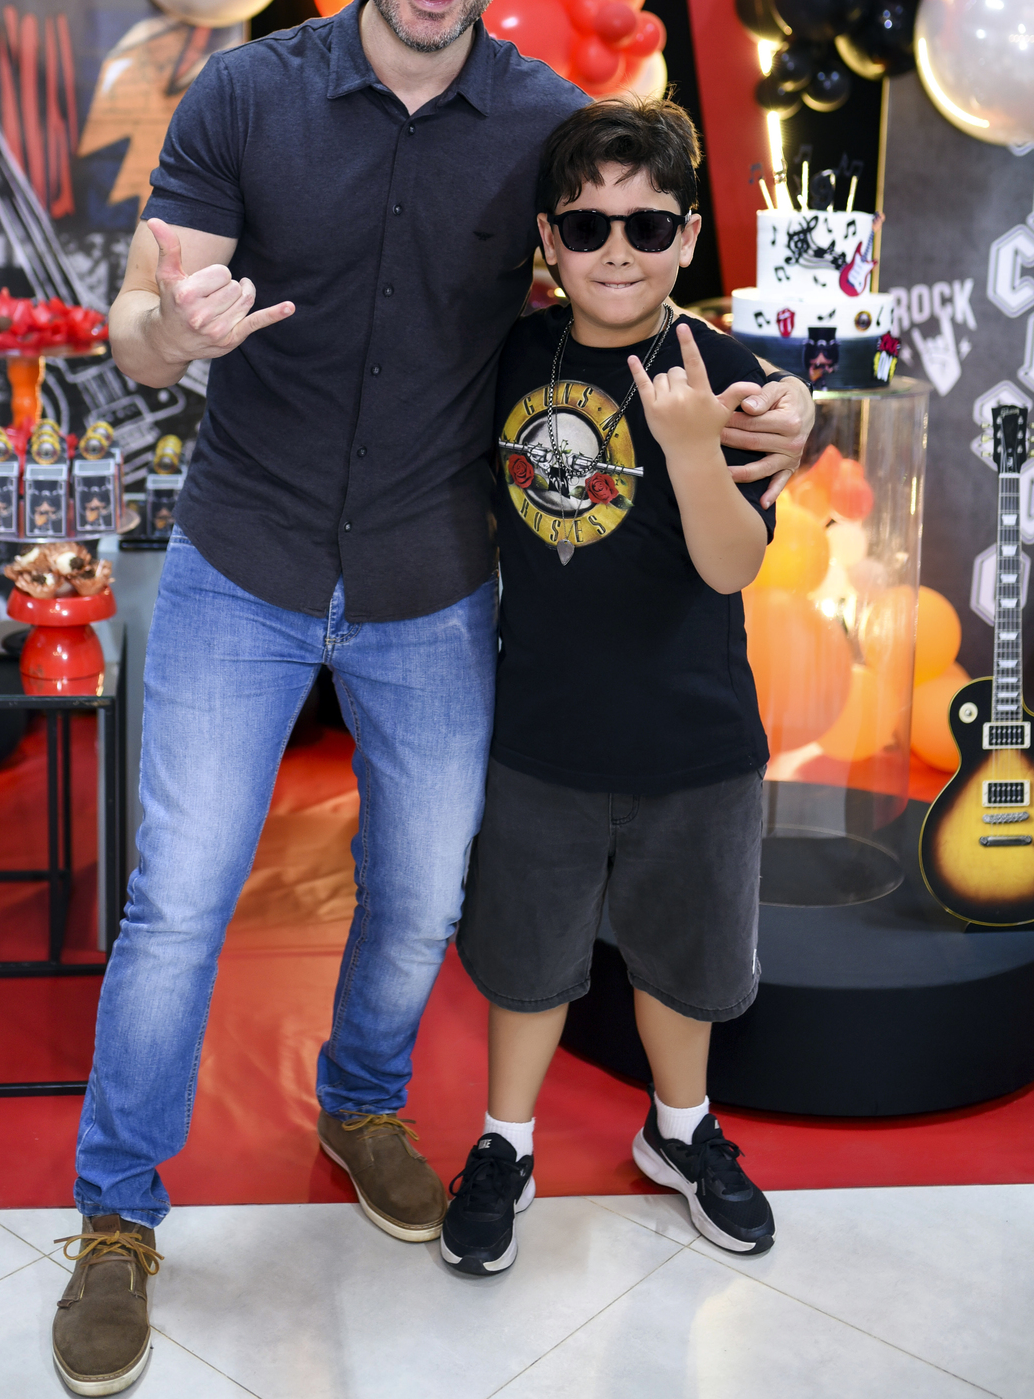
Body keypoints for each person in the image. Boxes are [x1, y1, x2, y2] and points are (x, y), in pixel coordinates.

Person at [51, 0, 810, 1395]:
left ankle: (360, 1103)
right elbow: (138, 321)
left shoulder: (544, 122)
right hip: (242, 561)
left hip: (431, 580)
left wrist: (784, 400)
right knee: (180, 900)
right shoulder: (246, 94)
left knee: (416, 904)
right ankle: (117, 1213)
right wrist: (169, 333)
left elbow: (636, 273)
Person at [441, 96, 777, 1278]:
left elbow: (733, 563)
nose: (617, 251)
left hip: (697, 740)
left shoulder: (726, 372)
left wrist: (691, 444)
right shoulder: (511, 357)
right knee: (526, 960)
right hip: (542, 736)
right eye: (587, 227)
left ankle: (680, 1129)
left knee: (684, 964)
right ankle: (506, 1141)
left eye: (648, 225)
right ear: (549, 239)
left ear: (689, 236)